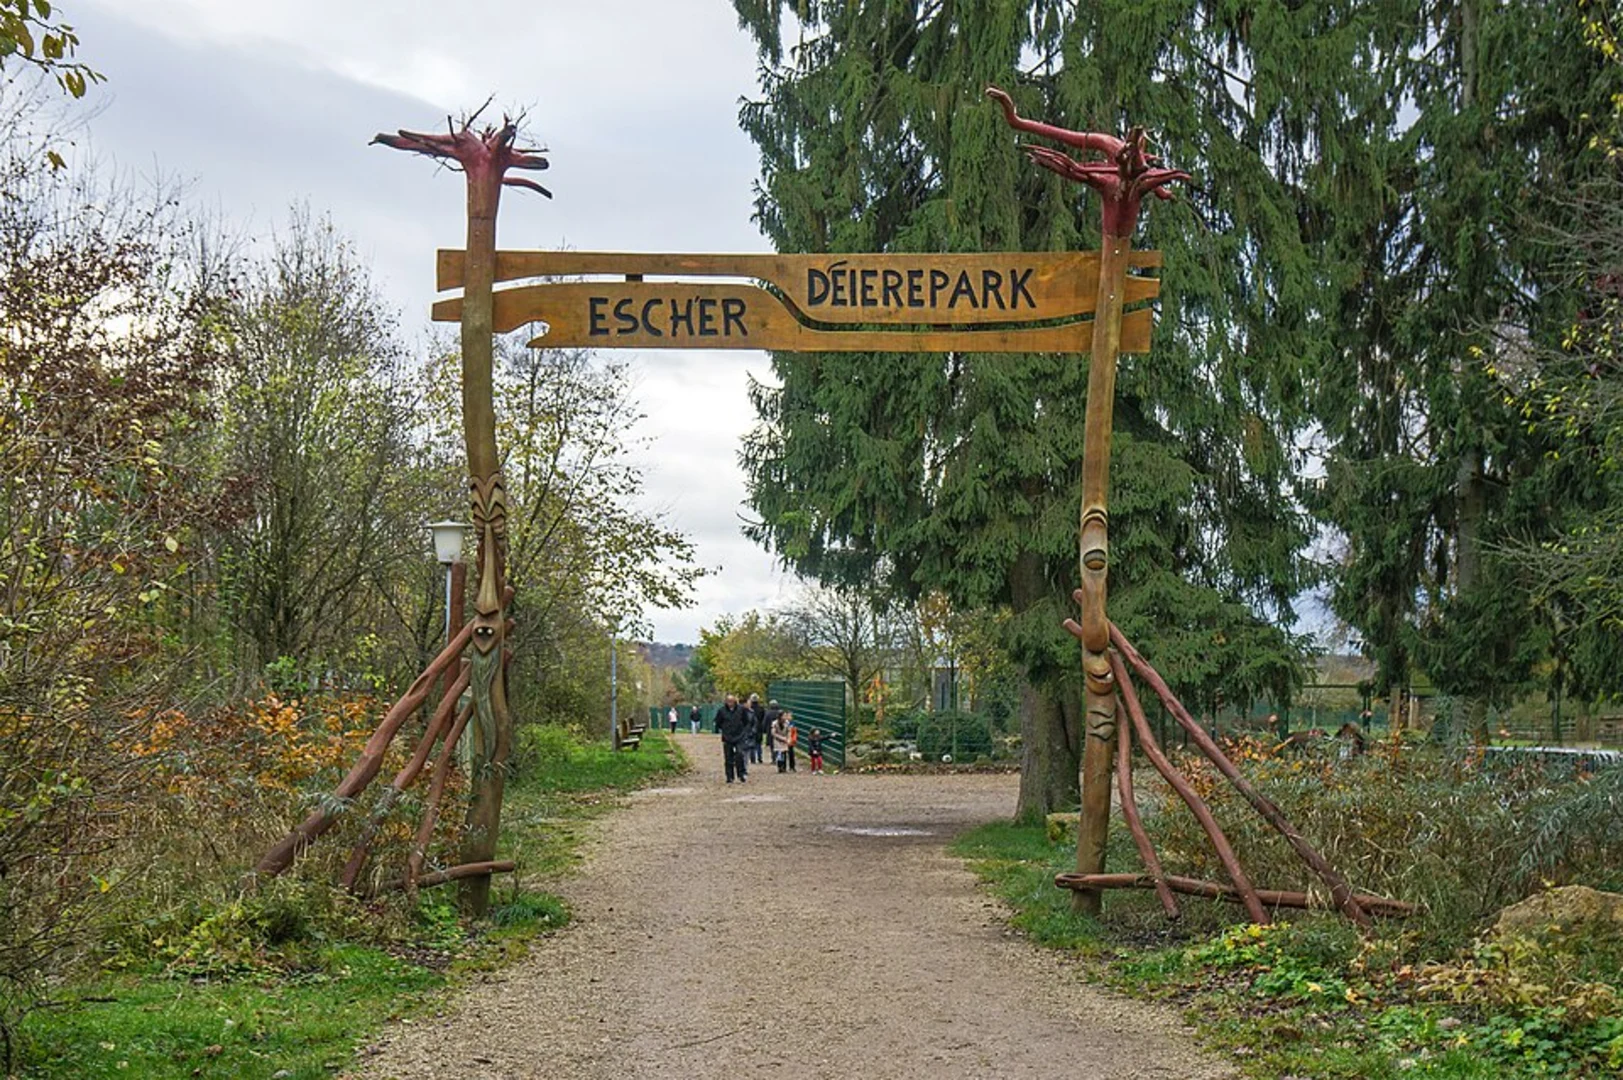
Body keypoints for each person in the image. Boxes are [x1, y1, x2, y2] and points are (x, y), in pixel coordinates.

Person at [713, 694, 750, 783]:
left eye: (732, 701)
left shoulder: (741, 710)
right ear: (726, 702)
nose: (730, 703)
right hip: (727, 737)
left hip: (739, 736)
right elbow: (718, 722)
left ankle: (741, 774)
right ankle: (729, 776)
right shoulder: (722, 711)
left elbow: (746, 721)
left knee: (740, 754)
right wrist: (724, 730)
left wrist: (743, 731)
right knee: (728, 757)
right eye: (728, 701)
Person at [747, 693, 768, 764]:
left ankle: (752, 758)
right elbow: (763, 718)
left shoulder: (749, 709)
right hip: (759, 727)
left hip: (751, 727)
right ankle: (759, 757)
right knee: (759, 743)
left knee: (751, 743)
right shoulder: (761, 709)